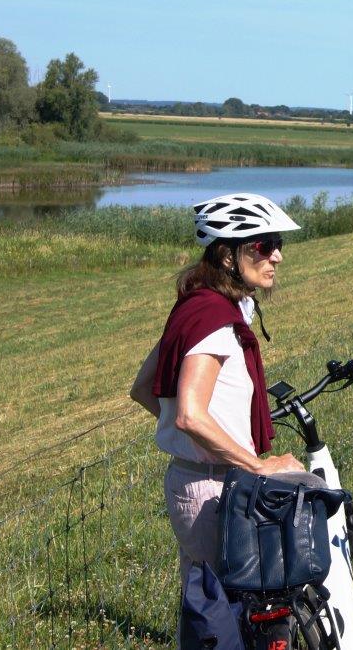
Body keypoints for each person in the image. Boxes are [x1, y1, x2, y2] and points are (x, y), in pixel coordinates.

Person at [129, 192, 306, 627]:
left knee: (212, 612)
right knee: (224, 619)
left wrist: (198, 440)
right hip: (211, 488)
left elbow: (143, 389)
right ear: (228, 256)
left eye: (277, 243)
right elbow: (189, 414)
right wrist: (255, 464)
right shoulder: (212, 319)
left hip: (207, 480)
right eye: (264, 245)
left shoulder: (198, 306)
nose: (277, 256)